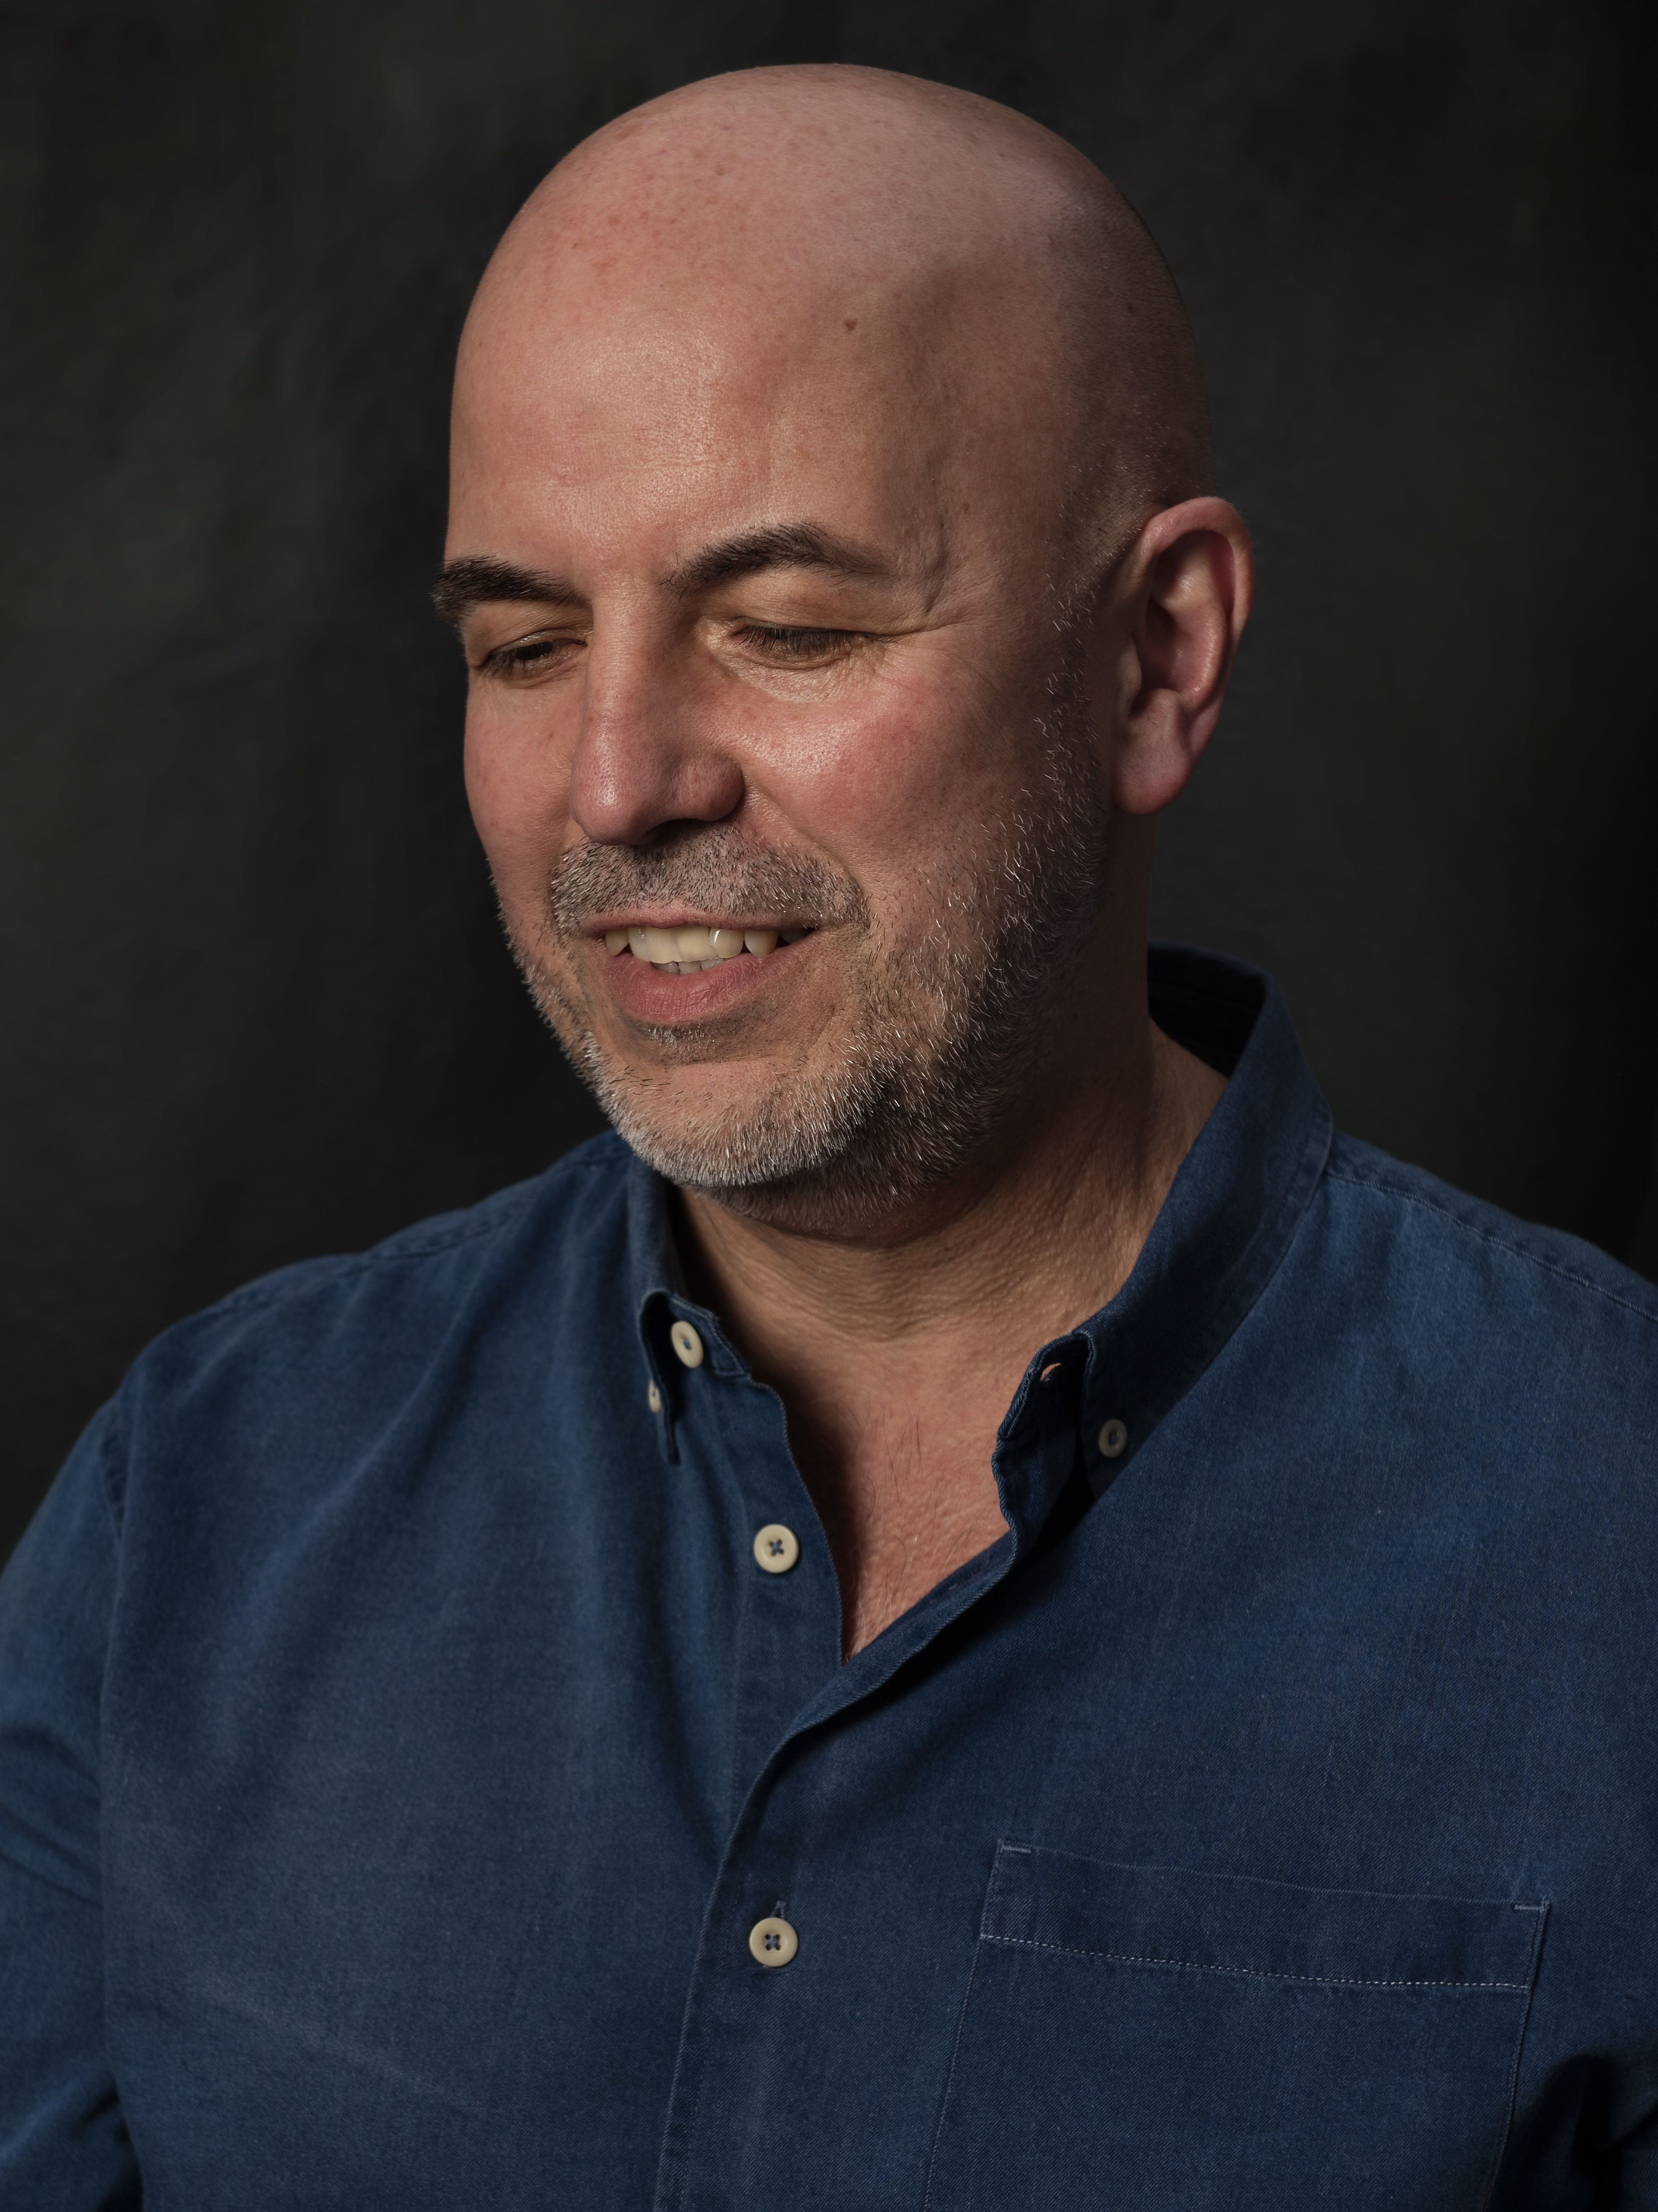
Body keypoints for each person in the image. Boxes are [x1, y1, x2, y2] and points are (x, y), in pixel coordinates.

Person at [1, 61, 1654, 2211]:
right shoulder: (200, 1509)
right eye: (525, 642)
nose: (618, 786)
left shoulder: (1609, 1541)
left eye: (785, 629)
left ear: (1157, 659)